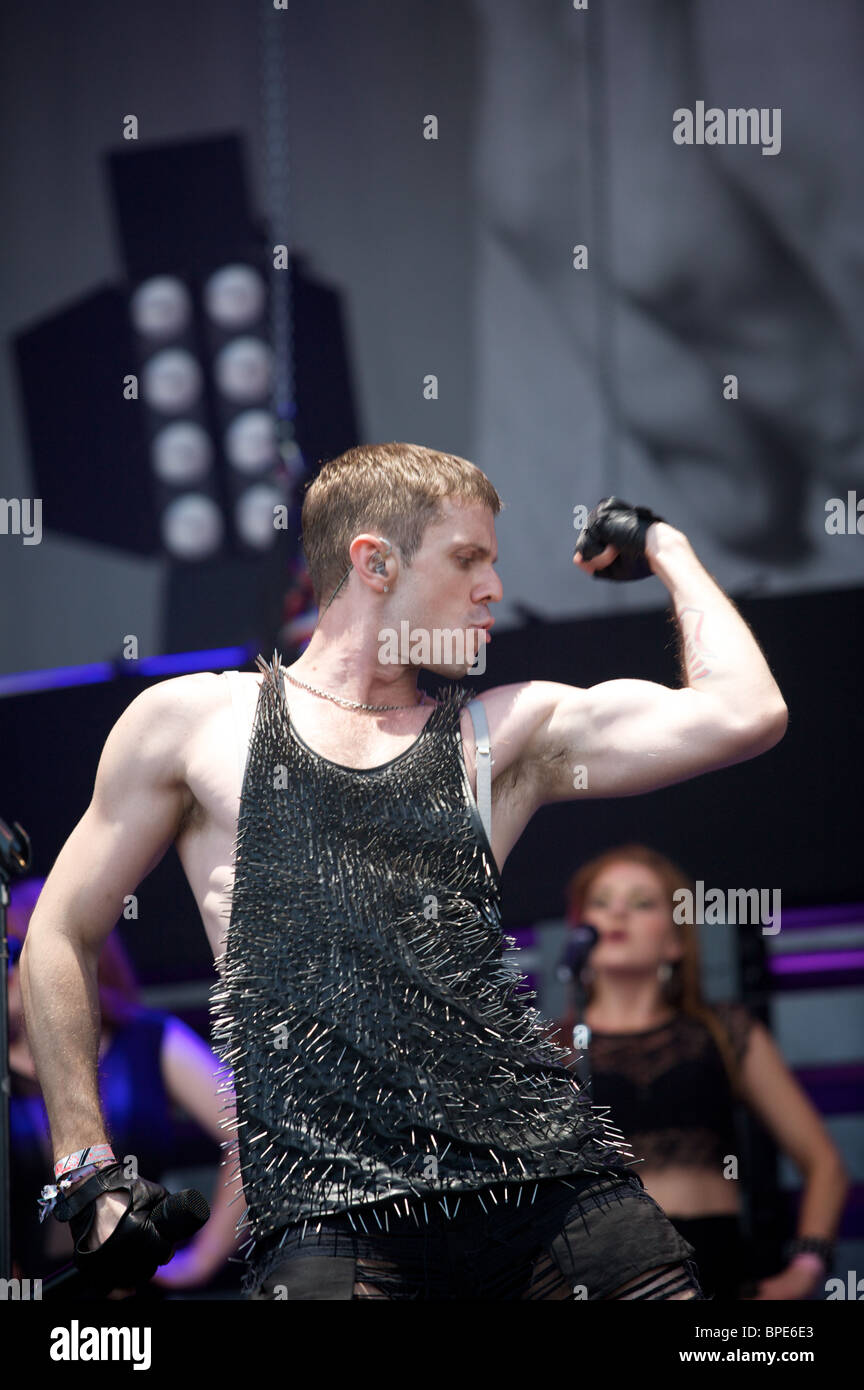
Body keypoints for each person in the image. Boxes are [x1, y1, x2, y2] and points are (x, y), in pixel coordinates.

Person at [20, 442, 789, 1300]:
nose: (493, 587)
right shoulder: (194, 724)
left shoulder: (505, 734)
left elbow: (747, 713)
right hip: (329, 1218)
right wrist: (86, 1169)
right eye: (468, 559)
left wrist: (667, 550)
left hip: (554, 1194)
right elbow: (57, 929)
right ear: (374, 561)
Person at [555, 846, 850, 1301]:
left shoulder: (721, 1030)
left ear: (674, 940)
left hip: (714, 1261)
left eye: (641, 903)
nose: (617, 913)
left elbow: (825, 1163)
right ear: (580, 929)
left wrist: (807, 1267)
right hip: (600, 1272)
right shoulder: (550, 1046)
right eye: (601, 901)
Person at [7, 879, 246, 1293]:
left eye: (15, 953)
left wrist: (200, 1261)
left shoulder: (148, 1039)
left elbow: (250, 1133)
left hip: (138, 1285)